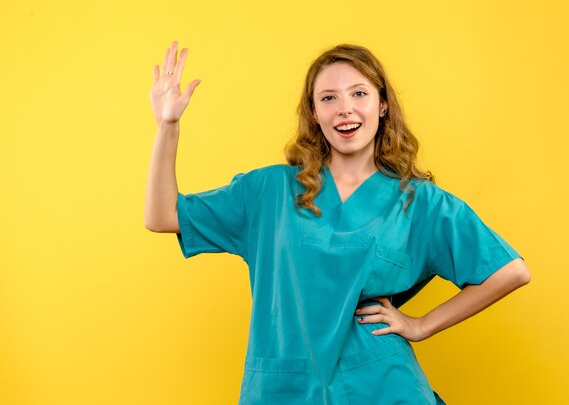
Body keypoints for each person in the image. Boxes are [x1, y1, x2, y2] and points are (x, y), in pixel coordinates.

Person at [145, 40, 531, 405]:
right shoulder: (269, 190)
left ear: (382, 105)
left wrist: (422, 324)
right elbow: (162, 216)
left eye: (359, 94)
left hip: (380, 383)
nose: (344, 108)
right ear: (315, 113)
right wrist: (168, 126)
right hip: (285, 385)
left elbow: (511, 271)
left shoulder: (419, 202)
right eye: (329, 98)